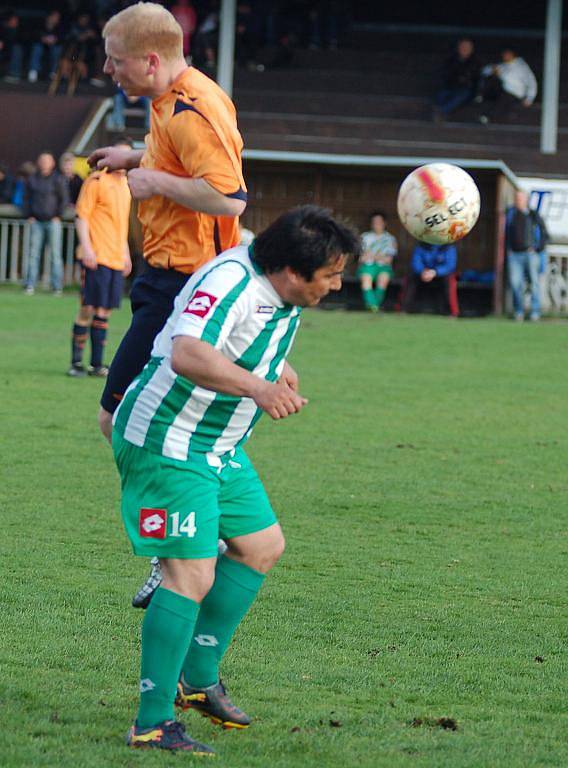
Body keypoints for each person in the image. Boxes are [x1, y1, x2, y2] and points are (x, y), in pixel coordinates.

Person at [112, 204, 359, 754]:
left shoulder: (276, 283)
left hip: (217, 444)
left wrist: (275, 369)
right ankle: (151, 723)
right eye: (331, 275)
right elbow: (188, 352)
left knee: (262, 546)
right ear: (293, 272)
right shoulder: (232, 282)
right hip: (168, 440)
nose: (338, 285)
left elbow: (245, 338)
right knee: (190, 576)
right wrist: (258, 386)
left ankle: (196, 680)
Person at [88, 2, 246, 603]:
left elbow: (228, 200)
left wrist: (153, 182)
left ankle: (175, 550)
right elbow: (183, 161)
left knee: (120, 419)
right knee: (173, 427)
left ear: (151, 60)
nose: (108, 68)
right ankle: (203, 535)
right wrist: (136, 157)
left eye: (116, 59)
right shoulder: (171, 99)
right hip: (161, 278)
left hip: (184, 287)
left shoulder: (191, 107)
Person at [68, 138, 132, 378]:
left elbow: (121, 224)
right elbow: (82, 216)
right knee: (88, 307)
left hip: (115, 256)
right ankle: (75, 363)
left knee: (105, 311)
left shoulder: (125, 186)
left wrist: (125, 252)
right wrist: (87, 249)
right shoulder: (96, 181)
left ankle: (96, 364)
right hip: (96, 254)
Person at [23, 152, 69, 295]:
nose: (44, 163)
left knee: (55, 255)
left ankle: (57, 286)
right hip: (36, 221)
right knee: (33, 254)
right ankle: (30, 284)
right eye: (42, 160)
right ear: (38, 162)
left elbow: (64, 199)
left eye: (47, 161)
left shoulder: (58, 179)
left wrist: (58, 215)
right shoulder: (32, 179)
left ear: (52, 163)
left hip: (53, 221)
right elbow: (26, 199)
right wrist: (29, 215)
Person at [505, 189, 548, 322]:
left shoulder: (533, 215)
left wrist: (537, 248)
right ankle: (519, 311)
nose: (518, 201)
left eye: (521, 198)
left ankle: (535, 312)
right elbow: (505, 234)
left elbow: (544, 235)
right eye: (517, 198)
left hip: (531, 255)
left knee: (534, 283)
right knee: (515, 283)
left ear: (526, 200)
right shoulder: (511, 214)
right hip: (514, 255)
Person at [478, 49, 537, 124]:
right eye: (504, 54)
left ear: (513, 55)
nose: (506, 56)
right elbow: (484, 71)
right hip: (502, 90)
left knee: (503, 100)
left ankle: (488, 116)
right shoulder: (503, 65)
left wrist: (529, 98)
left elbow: (531, 82)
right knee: (491, 80)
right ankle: (481, 96)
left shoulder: (522, 67)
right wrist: (493, 70)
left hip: (515, 93)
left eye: (508, 54)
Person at [402, 240, 459, 317]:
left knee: (450, 279)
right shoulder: (421, 246)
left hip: (440, 275)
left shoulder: (449, 247)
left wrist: (435, 272)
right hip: (423, 274)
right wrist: (422, 271)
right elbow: (415, 262)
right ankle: (403, 309)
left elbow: (450, 266)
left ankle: (452, 312)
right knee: (410, 277)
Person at [357, 210, 397, 312]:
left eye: (379, 222)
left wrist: (372, 256)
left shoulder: (390, 239)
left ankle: (373, 306)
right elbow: (361, 258)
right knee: (366, 280)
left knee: (383, 280)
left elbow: (388, 260)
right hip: (367, 266)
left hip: (383, 267)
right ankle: (373, 306)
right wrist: (378, 256)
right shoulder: (364, 237)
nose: (376, 225)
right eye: (374, 222)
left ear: (384, 223)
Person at [433, 38, 480, 120]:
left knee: (461, 95)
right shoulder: (452, 59)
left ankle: (441, 112)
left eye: (467, 47)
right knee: (441, 94)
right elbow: (446, 73)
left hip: (467, 88)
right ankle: (439, 112)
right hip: (451, 85)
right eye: (462, 46)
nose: (464, 49)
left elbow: (474, 77)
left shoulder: (475, 61)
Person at [27, 9, 64, 83]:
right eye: (55, 17)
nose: (56, 19)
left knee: (58, 49)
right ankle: (33, 71)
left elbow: (62, 39)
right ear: (49, 17)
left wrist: (55, 40)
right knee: (37, 48)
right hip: (41, 45)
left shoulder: (59, 27)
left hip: (53, 47)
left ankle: (53, 73)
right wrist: (42, 39)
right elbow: (33, 35)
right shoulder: (40, 24)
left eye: (58, 18)